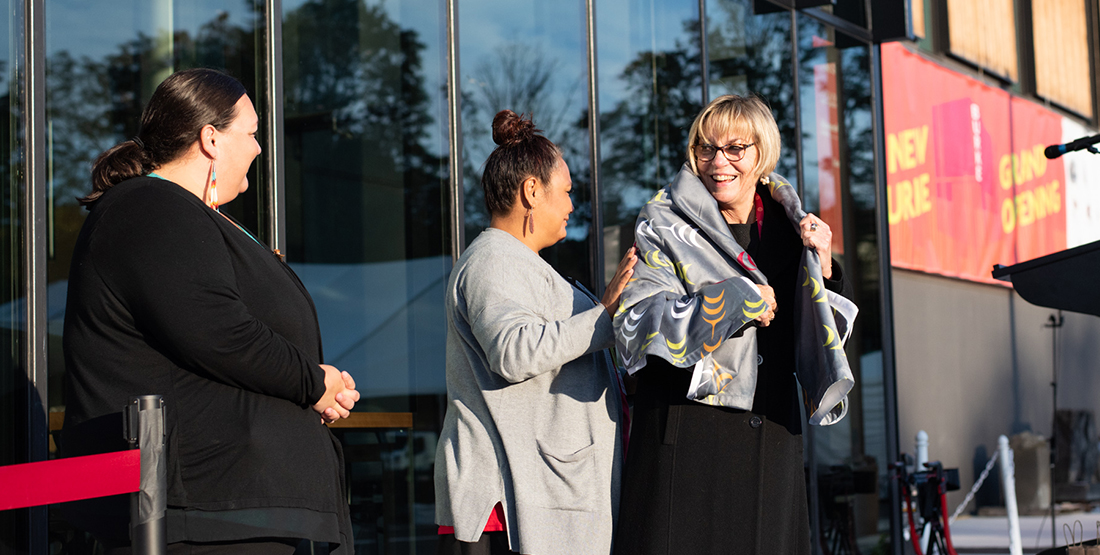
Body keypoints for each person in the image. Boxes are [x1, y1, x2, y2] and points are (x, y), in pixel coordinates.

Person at [61, 68, 359, 554]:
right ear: (211, 139)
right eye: (253, 133)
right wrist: (313, 381)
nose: (260, 148)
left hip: (232, 510)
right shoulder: (149, 207)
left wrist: (312, 388)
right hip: (199, 516)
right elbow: (220, 333)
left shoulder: (180, 214)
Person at [611, 94, 858, 555]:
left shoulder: (791, 226)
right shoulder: (661, 223)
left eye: (734, 149)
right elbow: (636, 326)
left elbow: (820, 342)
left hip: (772, 441)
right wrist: (732, 302)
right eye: (706, 148)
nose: (717, 162)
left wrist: (825, 270)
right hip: (689, 445)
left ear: (761, 153)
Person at [434, 110, 637, 555]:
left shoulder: (517, 263)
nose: (570, 206)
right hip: (506, 510)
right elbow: (513, 352)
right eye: (565, 192)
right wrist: (603, 315)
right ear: (531, 191)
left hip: (534, 501)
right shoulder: (494, 260)